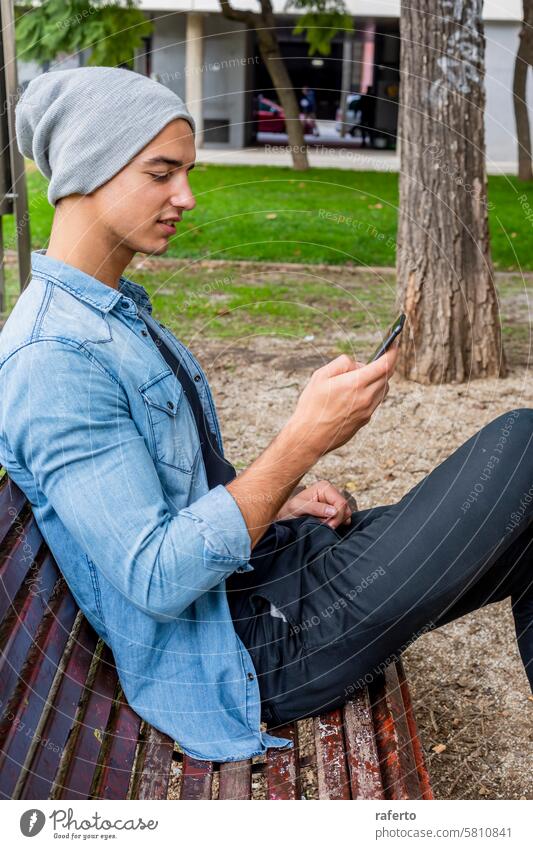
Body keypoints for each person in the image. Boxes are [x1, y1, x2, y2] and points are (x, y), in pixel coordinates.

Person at [0, 67, 531, 764]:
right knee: (524, 443)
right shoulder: (53, 359)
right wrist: (298, 444)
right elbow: (156, 576)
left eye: (185, 172)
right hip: (253, 646)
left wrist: (276, 501)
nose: (185, 196)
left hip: (269, 579)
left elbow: (165, 506)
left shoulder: (114, 314)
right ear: (85, 170)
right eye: (161, 173)